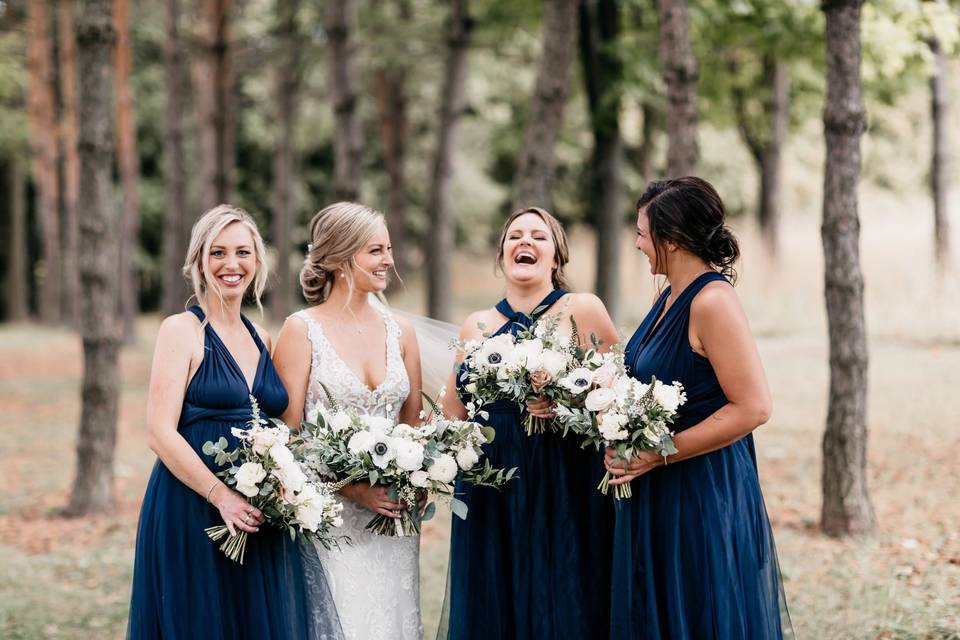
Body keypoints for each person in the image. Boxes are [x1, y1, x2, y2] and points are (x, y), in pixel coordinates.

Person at [128, 205, 340, 639]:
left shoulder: (261, 338)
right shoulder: (180, 330)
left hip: (258, 511)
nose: (231, 264)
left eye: (243, 252)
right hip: (194, 505)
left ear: (258, 261)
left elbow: (284, 422)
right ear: (199, 262)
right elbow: (158, 430)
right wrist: (221, 496)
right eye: (217, 253)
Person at [605, 177, 793, 638]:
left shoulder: (711, 301)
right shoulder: (666, 295)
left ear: (671, 240)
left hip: (701, 488)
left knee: (699, 608)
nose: (637, 244)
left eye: (642, 233)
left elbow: (753, 407)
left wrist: (660, 452)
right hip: (657, 486)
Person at [440, 206, 619, 640]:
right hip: (492, 486)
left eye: (539, 237)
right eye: (515, 235)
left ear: (556, 257)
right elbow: (452, 412)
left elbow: (618, 397)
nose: (526, 242)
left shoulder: (583, 309)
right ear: (501, 255)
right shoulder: (476, 325)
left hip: (565, 477)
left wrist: (567, 406)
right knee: (494, 596)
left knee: (566, 591)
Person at [273, 202, 424, 640]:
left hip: (392, 524)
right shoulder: (301, 331)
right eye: (376, 250)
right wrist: (351, 488)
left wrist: (417, 480)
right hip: (331, 521)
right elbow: (288, 436)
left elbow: (413, 429)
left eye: (389, 248)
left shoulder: (402, 332)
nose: (389, 261)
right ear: (341, 258)